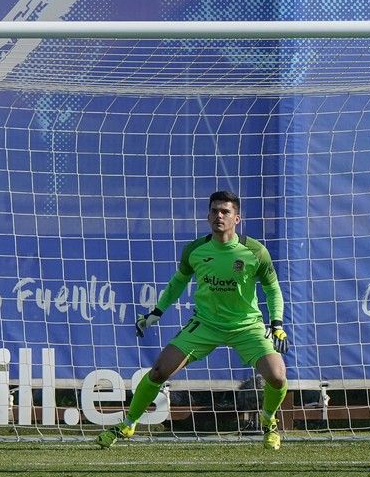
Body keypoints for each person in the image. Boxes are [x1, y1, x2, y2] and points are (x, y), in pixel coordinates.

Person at [96, 190, 289, 450]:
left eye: (225, 211)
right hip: (205, 325)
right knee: (159, 371)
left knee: (277, 377)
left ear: (237, 218)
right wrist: (157, 312)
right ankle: (128, 423)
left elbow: (272, 288)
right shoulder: (195, 250)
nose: (218, 215)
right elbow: (178, 282)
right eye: (214, 211)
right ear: (208, 215)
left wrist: (276, 324)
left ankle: (268, 422)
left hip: (247, 327)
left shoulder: (255, 251)